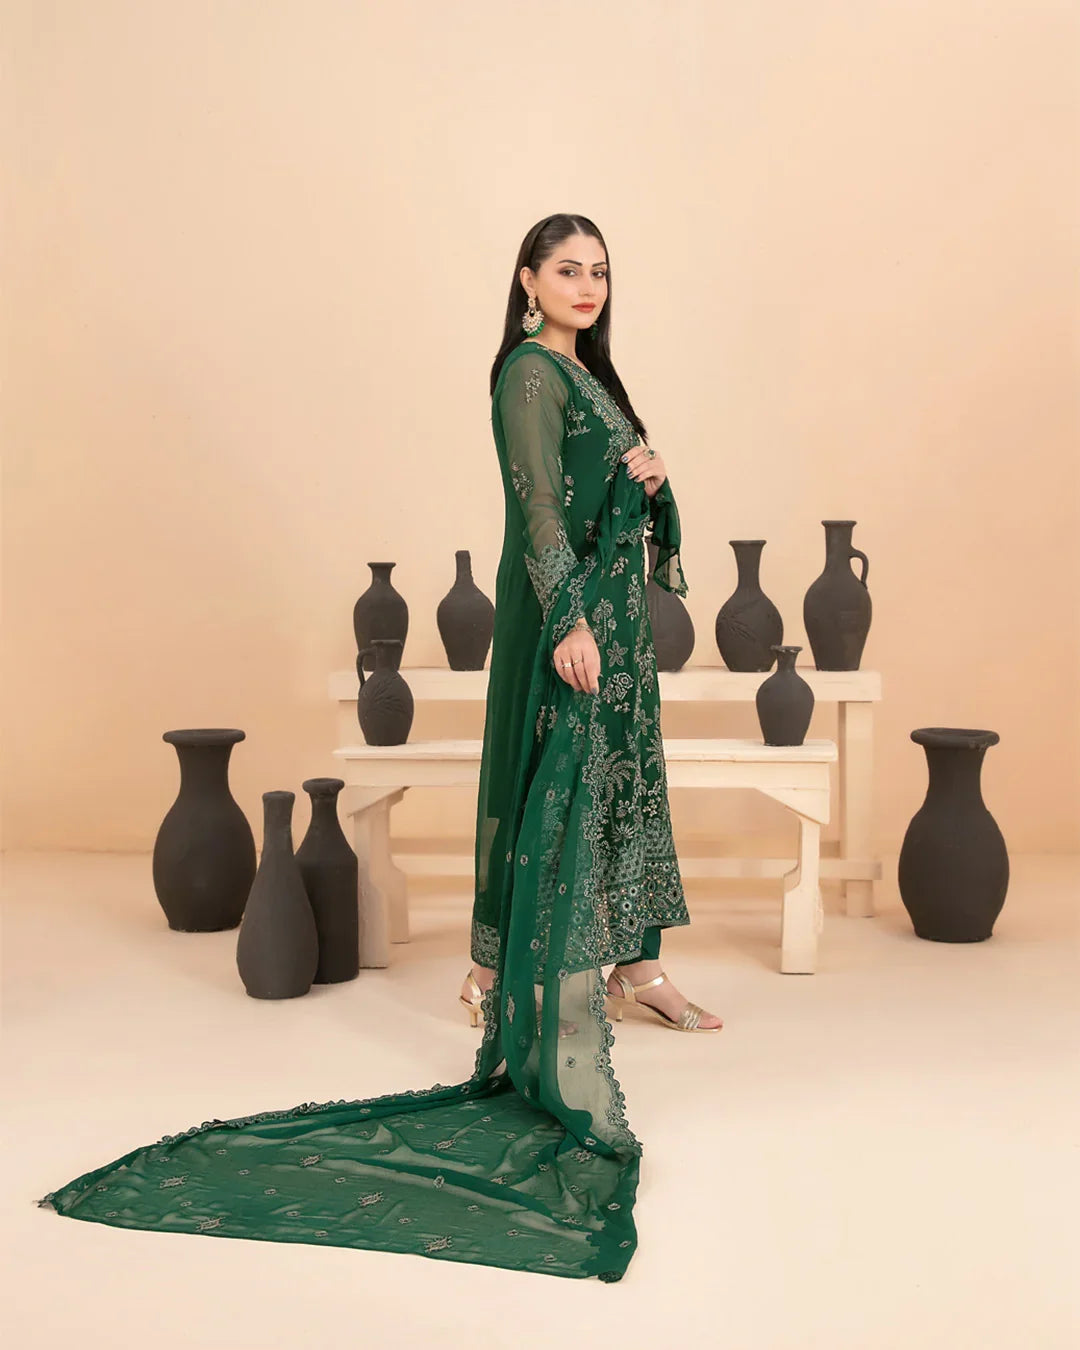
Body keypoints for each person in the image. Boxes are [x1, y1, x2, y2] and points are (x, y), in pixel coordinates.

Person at [35, 213, 720, 1285]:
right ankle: (513, 977)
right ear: (528, 281)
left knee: (625, 788)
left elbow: (617, 492)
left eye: (599, 271)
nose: (587, 285)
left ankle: (639, 967)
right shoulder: (530, 377)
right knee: (559, 790)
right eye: (566, 270)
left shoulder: (595, 376)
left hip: (618, 617)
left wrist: (655, 472)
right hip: (575, 618)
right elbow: (539, 505)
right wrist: (570, 619)